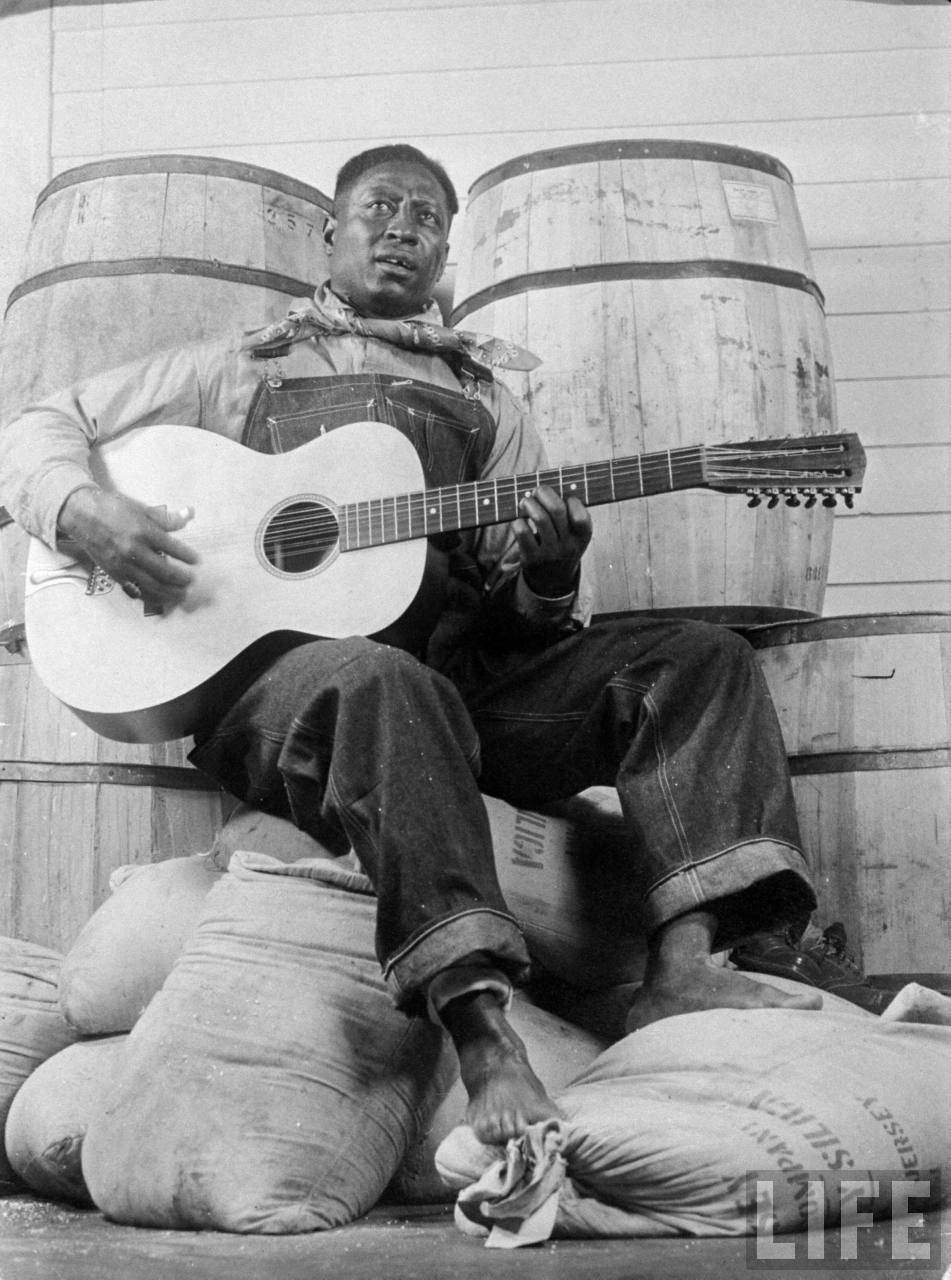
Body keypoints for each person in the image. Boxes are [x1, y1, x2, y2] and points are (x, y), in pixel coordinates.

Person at [4, 142, 860, 1148]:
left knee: (698, 658)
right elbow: (38, 419)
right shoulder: (240, 365)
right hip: (290, 703)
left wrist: (546, 572)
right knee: (381, 677)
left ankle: (686, 961)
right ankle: (481, 1027)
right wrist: (81, 508)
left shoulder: (489, 402)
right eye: (382, 207)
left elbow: (521, 624)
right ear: (331, 233)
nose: (405, 226)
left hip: (456, 693)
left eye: (428, 218)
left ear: (447, 253)